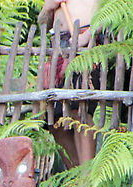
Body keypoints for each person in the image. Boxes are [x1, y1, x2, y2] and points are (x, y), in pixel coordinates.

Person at [38, 0, 99, 167]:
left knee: (80, 110)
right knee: (55, 118)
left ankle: (87, 176)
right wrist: (49, 7)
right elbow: (43, 23)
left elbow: (108, 13)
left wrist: (86, 36)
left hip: (85, 41)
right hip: (58, 45)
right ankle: (76, 175)